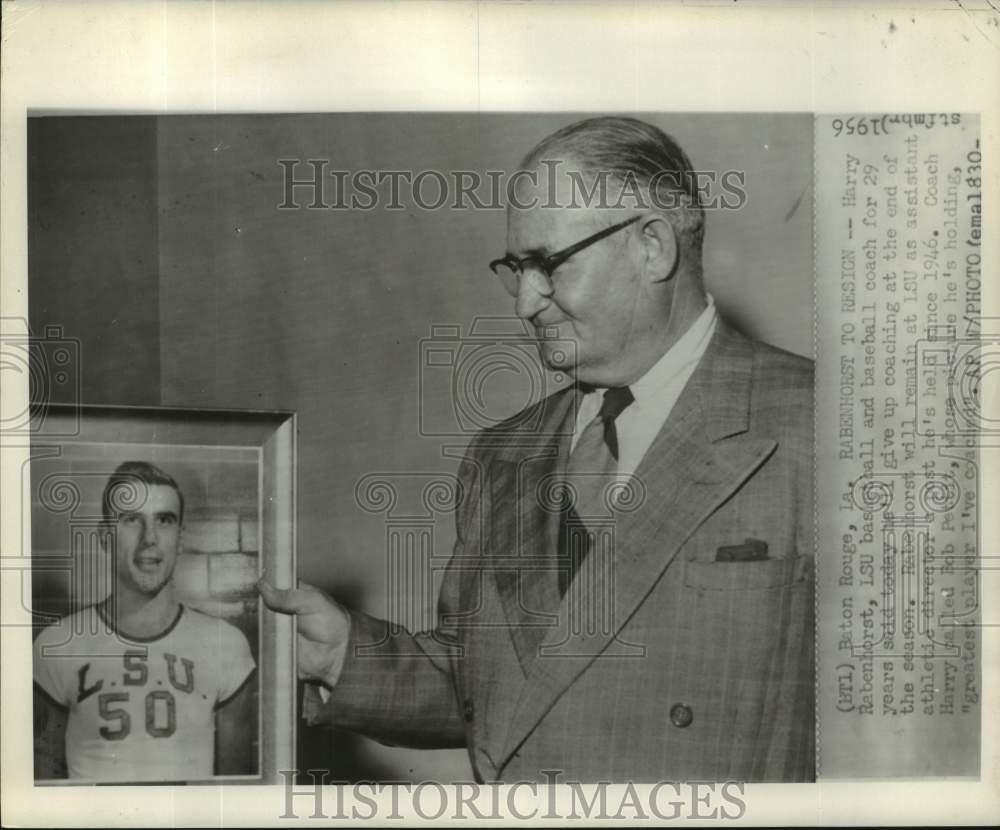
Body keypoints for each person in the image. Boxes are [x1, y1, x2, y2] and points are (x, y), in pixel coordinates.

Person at [260, 116, 814, 783]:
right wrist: (345, 657)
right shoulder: (504, 453)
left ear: (653, 247)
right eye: (516, 269)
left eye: (549, 265)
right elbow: (513, 691)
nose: (525, 302)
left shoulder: (822, 427)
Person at [33, 461, 257, 782]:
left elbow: (235, 798)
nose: (149, 538)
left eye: (164, 520)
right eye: (131, 520)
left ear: (180, 539)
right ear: (105, 537)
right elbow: (43, 790)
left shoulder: (226, 645)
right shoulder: (58, 644)